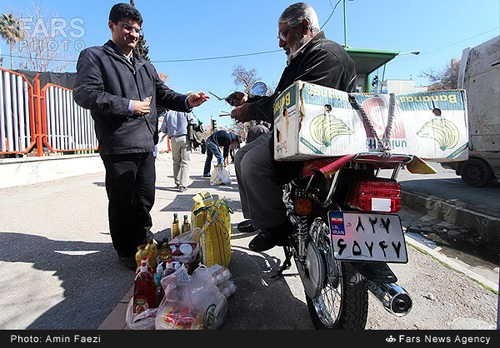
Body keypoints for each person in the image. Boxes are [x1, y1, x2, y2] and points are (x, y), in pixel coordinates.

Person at [73, 3, 209, 270]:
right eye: (126, 27)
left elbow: (164, 94)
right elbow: (85, 93)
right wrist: (127, 105)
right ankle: (126, 251)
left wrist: (187, 100)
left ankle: (143, 240)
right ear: (111, 26)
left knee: (145, 197)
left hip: (146, 142)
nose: (133, 34)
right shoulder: (95, 56)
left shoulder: (146, 66)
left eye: (137, 30)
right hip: (118, 143)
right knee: (123, 199)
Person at [228, 2, 356, 251]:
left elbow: (291, 103)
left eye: (284, 33)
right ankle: (259, 217)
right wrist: (250, 101)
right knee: (242, 155)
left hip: (316, 139)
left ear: (305, 26)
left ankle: (276, 226)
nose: (280, 42)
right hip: (297, 134)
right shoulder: (305, 56)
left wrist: (250, 110)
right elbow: (282, 96)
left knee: (252, 162)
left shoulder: (324, 54)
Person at [159, 110, 197, 192]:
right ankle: (183, 185)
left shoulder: (168, 113)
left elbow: (163, 129)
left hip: (173, 138)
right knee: (185, 162)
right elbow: (194, 122)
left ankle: (177, 182)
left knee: (176, 161)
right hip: (184, 138)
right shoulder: (186, 111)